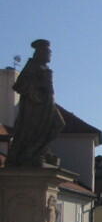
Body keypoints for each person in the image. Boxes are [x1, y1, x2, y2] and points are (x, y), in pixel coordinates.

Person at [8, 39, 65, 168]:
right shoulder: (32, 66)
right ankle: (32, 153)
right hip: (36, 106)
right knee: (35, 129)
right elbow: (18, 86)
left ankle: (40, 151)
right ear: (40, 53)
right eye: (48, 52)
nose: (50, 55)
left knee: (58, 124)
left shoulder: (44, 68)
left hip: (48, 103)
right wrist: (39, 84)